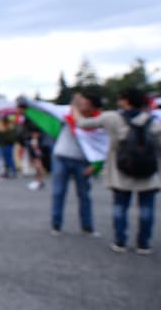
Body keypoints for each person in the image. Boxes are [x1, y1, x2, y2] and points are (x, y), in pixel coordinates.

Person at [73, 87, 161, 254]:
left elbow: (82, 124)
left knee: (120, 206)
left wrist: (75, 108)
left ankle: (120, 241)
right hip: (147, 171)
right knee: (146, 208)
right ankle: (144, 244)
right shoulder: (153, 121)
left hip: (121, 170)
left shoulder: (112, 117)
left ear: (126, 100)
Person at [20, 92, 109, 235]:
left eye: (84, 101)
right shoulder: (68, 112)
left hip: (82, 161)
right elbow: (47, 108)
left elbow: (103, 145)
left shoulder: (98, 121)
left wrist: (96, 165)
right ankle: (56, 225)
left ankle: (87, 226)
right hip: (61, 156)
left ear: (92, 105)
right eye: (79, 101)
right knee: (59, 192)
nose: (80, 104)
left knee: (84, 194)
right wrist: (28, 101)